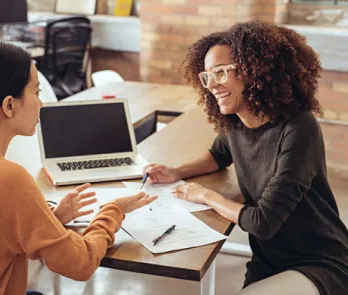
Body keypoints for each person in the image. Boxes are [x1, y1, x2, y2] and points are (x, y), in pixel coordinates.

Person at [0, 42, 157, 295]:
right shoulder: (5, 177)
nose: (41, 104)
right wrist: (113, 211)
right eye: (36, 93)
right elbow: (80, 263)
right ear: (9, 106)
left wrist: (50, 220)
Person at [144, 21, 348, 295]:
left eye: (220, 72)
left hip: (318, 261)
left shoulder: (299, 128)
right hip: (269, 258)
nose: (212, 85)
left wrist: (206, 196)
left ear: (254, 71)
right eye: (207, 76)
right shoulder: (237, 123)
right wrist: (176, 172)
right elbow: (218, 156)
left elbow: (262, 222)